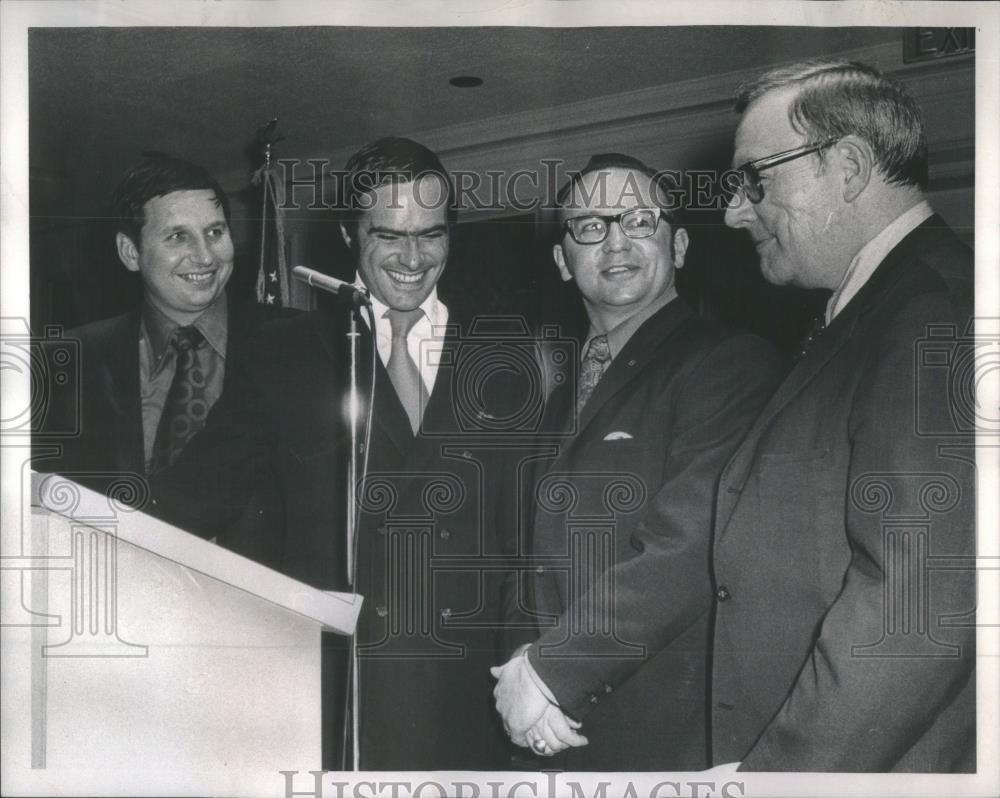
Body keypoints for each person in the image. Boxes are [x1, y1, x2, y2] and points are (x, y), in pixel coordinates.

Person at [148, 137, 528, 770]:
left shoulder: (506, 357)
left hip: (473, 710)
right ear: (351, 235)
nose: (413, 258)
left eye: (431, 235)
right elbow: (184, 505)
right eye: (388, 235)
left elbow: (529, 540)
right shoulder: (282, 355)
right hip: (336, 705)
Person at [712, 60, 975, 771]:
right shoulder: (878, 307)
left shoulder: (933, 312)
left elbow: (918, 610)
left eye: (754, 180)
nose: (736, 212)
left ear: (849, 167)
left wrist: (774, 781)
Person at [491, 153, 779, 770]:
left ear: (677, 246)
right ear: (562, 260)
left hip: (663, 739)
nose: (615, 241)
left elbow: (687, 548)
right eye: (590, 227)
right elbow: (526, 554)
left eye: (638, 220)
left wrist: (547, 676)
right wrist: (520, 667)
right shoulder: (562, 392)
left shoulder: (730, 363)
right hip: (556, 733)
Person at [35, 154, 282, 482]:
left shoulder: (297, 342)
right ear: (130, 252)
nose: (205, 256)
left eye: (215, 232)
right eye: (179, 237)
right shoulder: (64, 362)